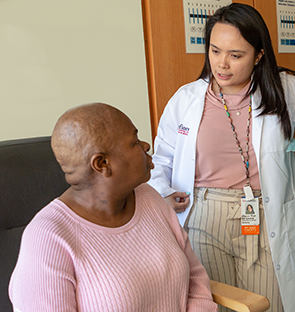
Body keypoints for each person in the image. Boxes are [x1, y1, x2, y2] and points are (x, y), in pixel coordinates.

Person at [148, 3, 295, 312]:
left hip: (264, 212)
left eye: (236, 55)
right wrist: (162, 193)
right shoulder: (185, 99)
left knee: (266, 304)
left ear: (258, 55)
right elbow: (161, 159)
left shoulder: (281, 89)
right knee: (215, 304)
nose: (222, 64)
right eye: (215, 51)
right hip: (204, 214)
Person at [8, 103, 218, 312]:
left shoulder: (150, 199)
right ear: (102, 164)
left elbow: (195, 279)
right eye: (134, 142)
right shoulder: (48, 239)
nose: (145, 145)